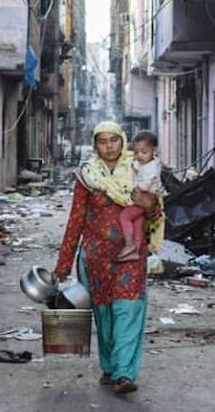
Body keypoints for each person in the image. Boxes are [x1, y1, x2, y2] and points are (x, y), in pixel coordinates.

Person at [53, 121, 163, 394]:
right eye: (102, 141)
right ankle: (110, 367)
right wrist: (63, 264)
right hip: (95, 259)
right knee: (105, 315)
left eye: (114, 140)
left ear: (122, 141)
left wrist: (151, 206)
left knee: (127, 309)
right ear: (95, 145)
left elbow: (156, 212)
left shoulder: (139, 170)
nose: (109, 146)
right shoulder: (87, 177)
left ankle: (124, 373)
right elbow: (75, 221)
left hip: (130, 256)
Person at [117, 131, 163, 262]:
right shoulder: (143, 163)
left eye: (144, 152)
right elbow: (134, 167)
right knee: (138, 222)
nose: (139, 156)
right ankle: (136, 251)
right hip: (144, 196)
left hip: (146, 196)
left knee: (125, 216)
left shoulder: (153, 166)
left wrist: (132, 186)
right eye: (136, 152)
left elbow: (144, 185)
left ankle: (129, 244)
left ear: (154, 150)